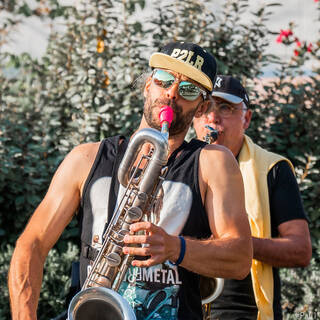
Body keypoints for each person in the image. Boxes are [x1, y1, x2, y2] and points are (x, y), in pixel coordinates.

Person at [8, 42, 253, 320]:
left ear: (202, 107)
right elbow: (32, 244)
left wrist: (176, 247)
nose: (172, 93)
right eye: (164, 80)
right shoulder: (85, 158)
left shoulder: (213, 162)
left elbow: (240, 259)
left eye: (188, 90)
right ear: (148, 84)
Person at [193, 75, 312, 320]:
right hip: (185, 307)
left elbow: (301, 250)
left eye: (225, 108)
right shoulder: (175, 166)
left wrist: (237, 244)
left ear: (246, 118)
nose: (212, 117)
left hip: (246, 312)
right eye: (204, 107)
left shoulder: (273, 169)